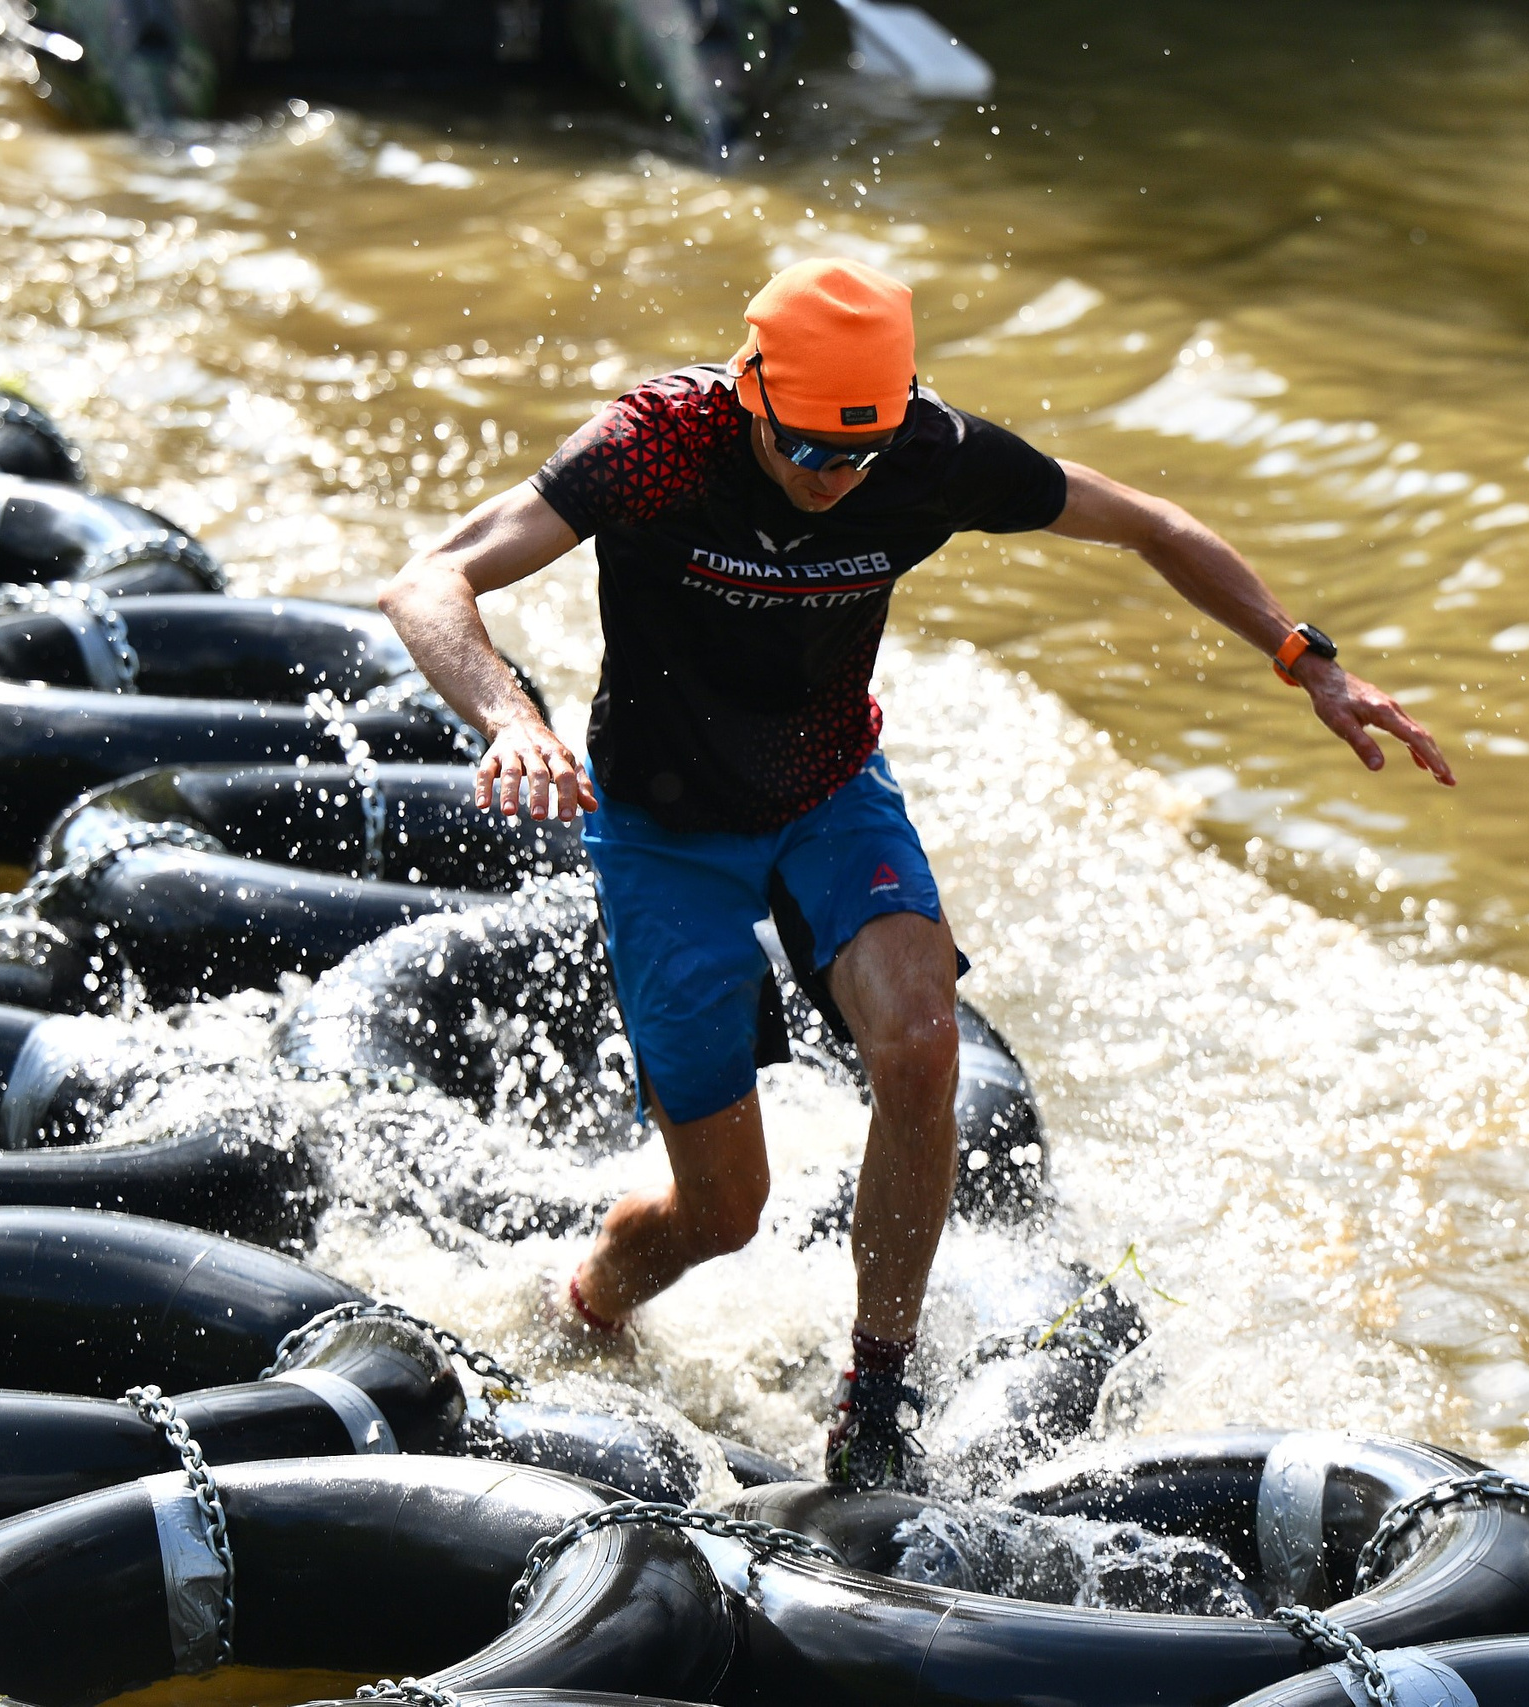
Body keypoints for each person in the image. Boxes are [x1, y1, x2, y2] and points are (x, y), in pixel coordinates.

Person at [378, 257, 1454, 1489]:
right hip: (663, 828)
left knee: (922, 1041)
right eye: (808, 454)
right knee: (721, 1214)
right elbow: (428, 582)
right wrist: (511, 719)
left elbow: (1149, 523)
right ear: (749, 393)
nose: (836, 483)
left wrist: (1302, 655)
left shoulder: (931, 453)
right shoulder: (661, 441)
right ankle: (587, 1300)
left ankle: (873, 1394)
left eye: (862, 459)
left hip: (832, 793)